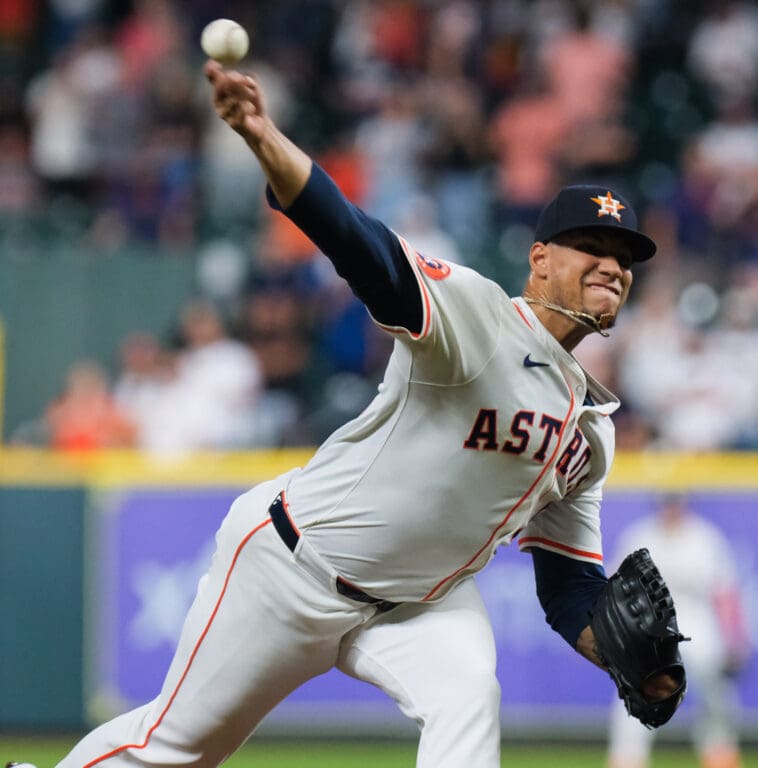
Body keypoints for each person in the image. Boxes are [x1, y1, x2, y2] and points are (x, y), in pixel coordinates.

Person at [55, 59, 674, 768]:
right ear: (538, 259)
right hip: (295, 569)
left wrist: (631, 658)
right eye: (592, 247)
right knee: (177, 748)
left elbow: (569, 584)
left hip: (421, 604)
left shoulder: (590, 430)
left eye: (625, 256)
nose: (612, 265)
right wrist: (262, 136)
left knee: (468, 695)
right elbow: (361, 246)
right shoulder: (476, 318)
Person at [607, 495, 749, 768]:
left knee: (717, 697)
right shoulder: (640, 535)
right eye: (667, 502)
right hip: (652, 628)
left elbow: (725, 592)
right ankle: (627, 760)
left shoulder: (704, 537)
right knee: (636, 698)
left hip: (698, 621)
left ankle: (721, 757)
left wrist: (736, 637)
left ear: (684, 504)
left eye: (675, 502)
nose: (671, 508)